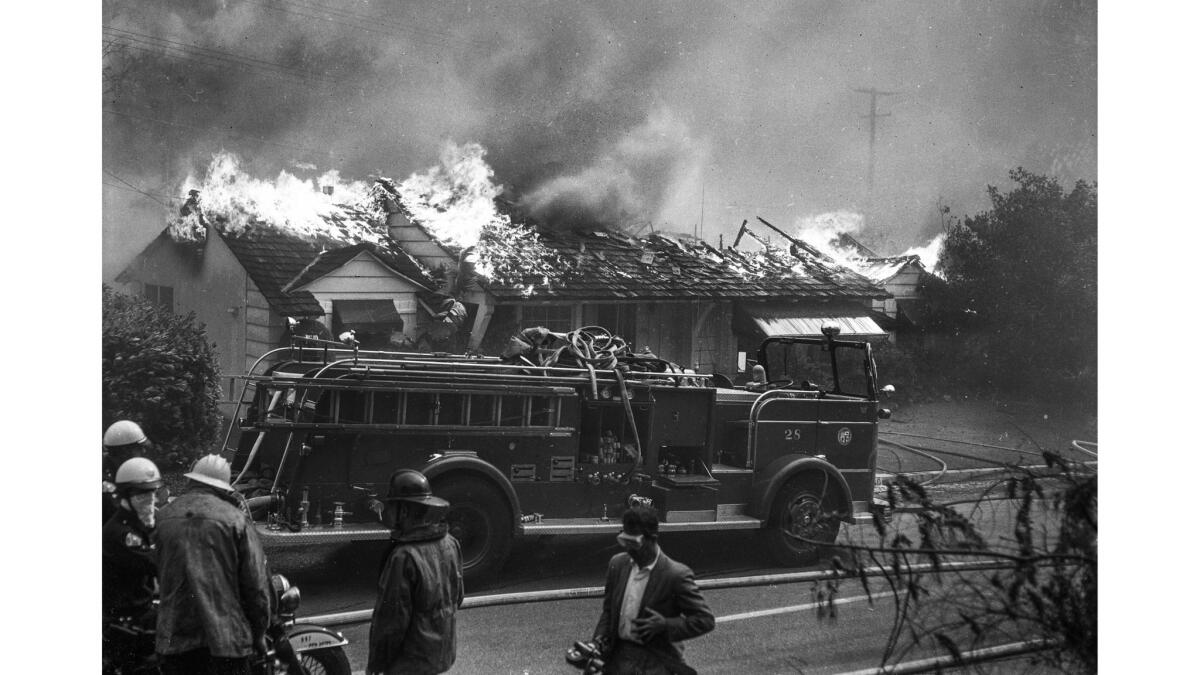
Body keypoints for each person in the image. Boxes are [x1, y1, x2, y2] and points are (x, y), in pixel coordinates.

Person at [155, 454, 271, 675]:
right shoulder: (236, 519)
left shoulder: (163, 517)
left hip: (174, 643)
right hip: (226, 643)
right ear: (224, 487)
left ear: (192, 479)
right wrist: (258, 636)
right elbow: (256, 587)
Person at [592, 505, 715, 675]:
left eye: (634, 543)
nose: (628, 549)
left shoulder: (676, 575)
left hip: (655, 662)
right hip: (618, 659)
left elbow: (705, 620)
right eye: (625, 541)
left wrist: (665, 625)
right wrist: (597, 641)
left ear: (652, 538)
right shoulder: (617, 564)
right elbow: (608, 611)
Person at [368, 469, 464, 675]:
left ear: (404, 511)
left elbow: (391, 622)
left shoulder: (404, 556)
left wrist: (376, 665)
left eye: (393, 507)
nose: (390, 514)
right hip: (441, 655)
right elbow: (458, 597)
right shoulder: (451, 543)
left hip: (410, 663)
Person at [102, 457, 163, 670]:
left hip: (138, 609)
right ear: (127, 495)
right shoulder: (122, 532)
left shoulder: (137, 523)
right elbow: (155, 564)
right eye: (143, 494)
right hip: (124, 617)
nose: (150, 498)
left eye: (153, 492)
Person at [103, 420, 152, 523]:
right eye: (138, 448)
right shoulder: (106, 483)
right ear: (125, 452)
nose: (143, 452)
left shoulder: (122, 469)